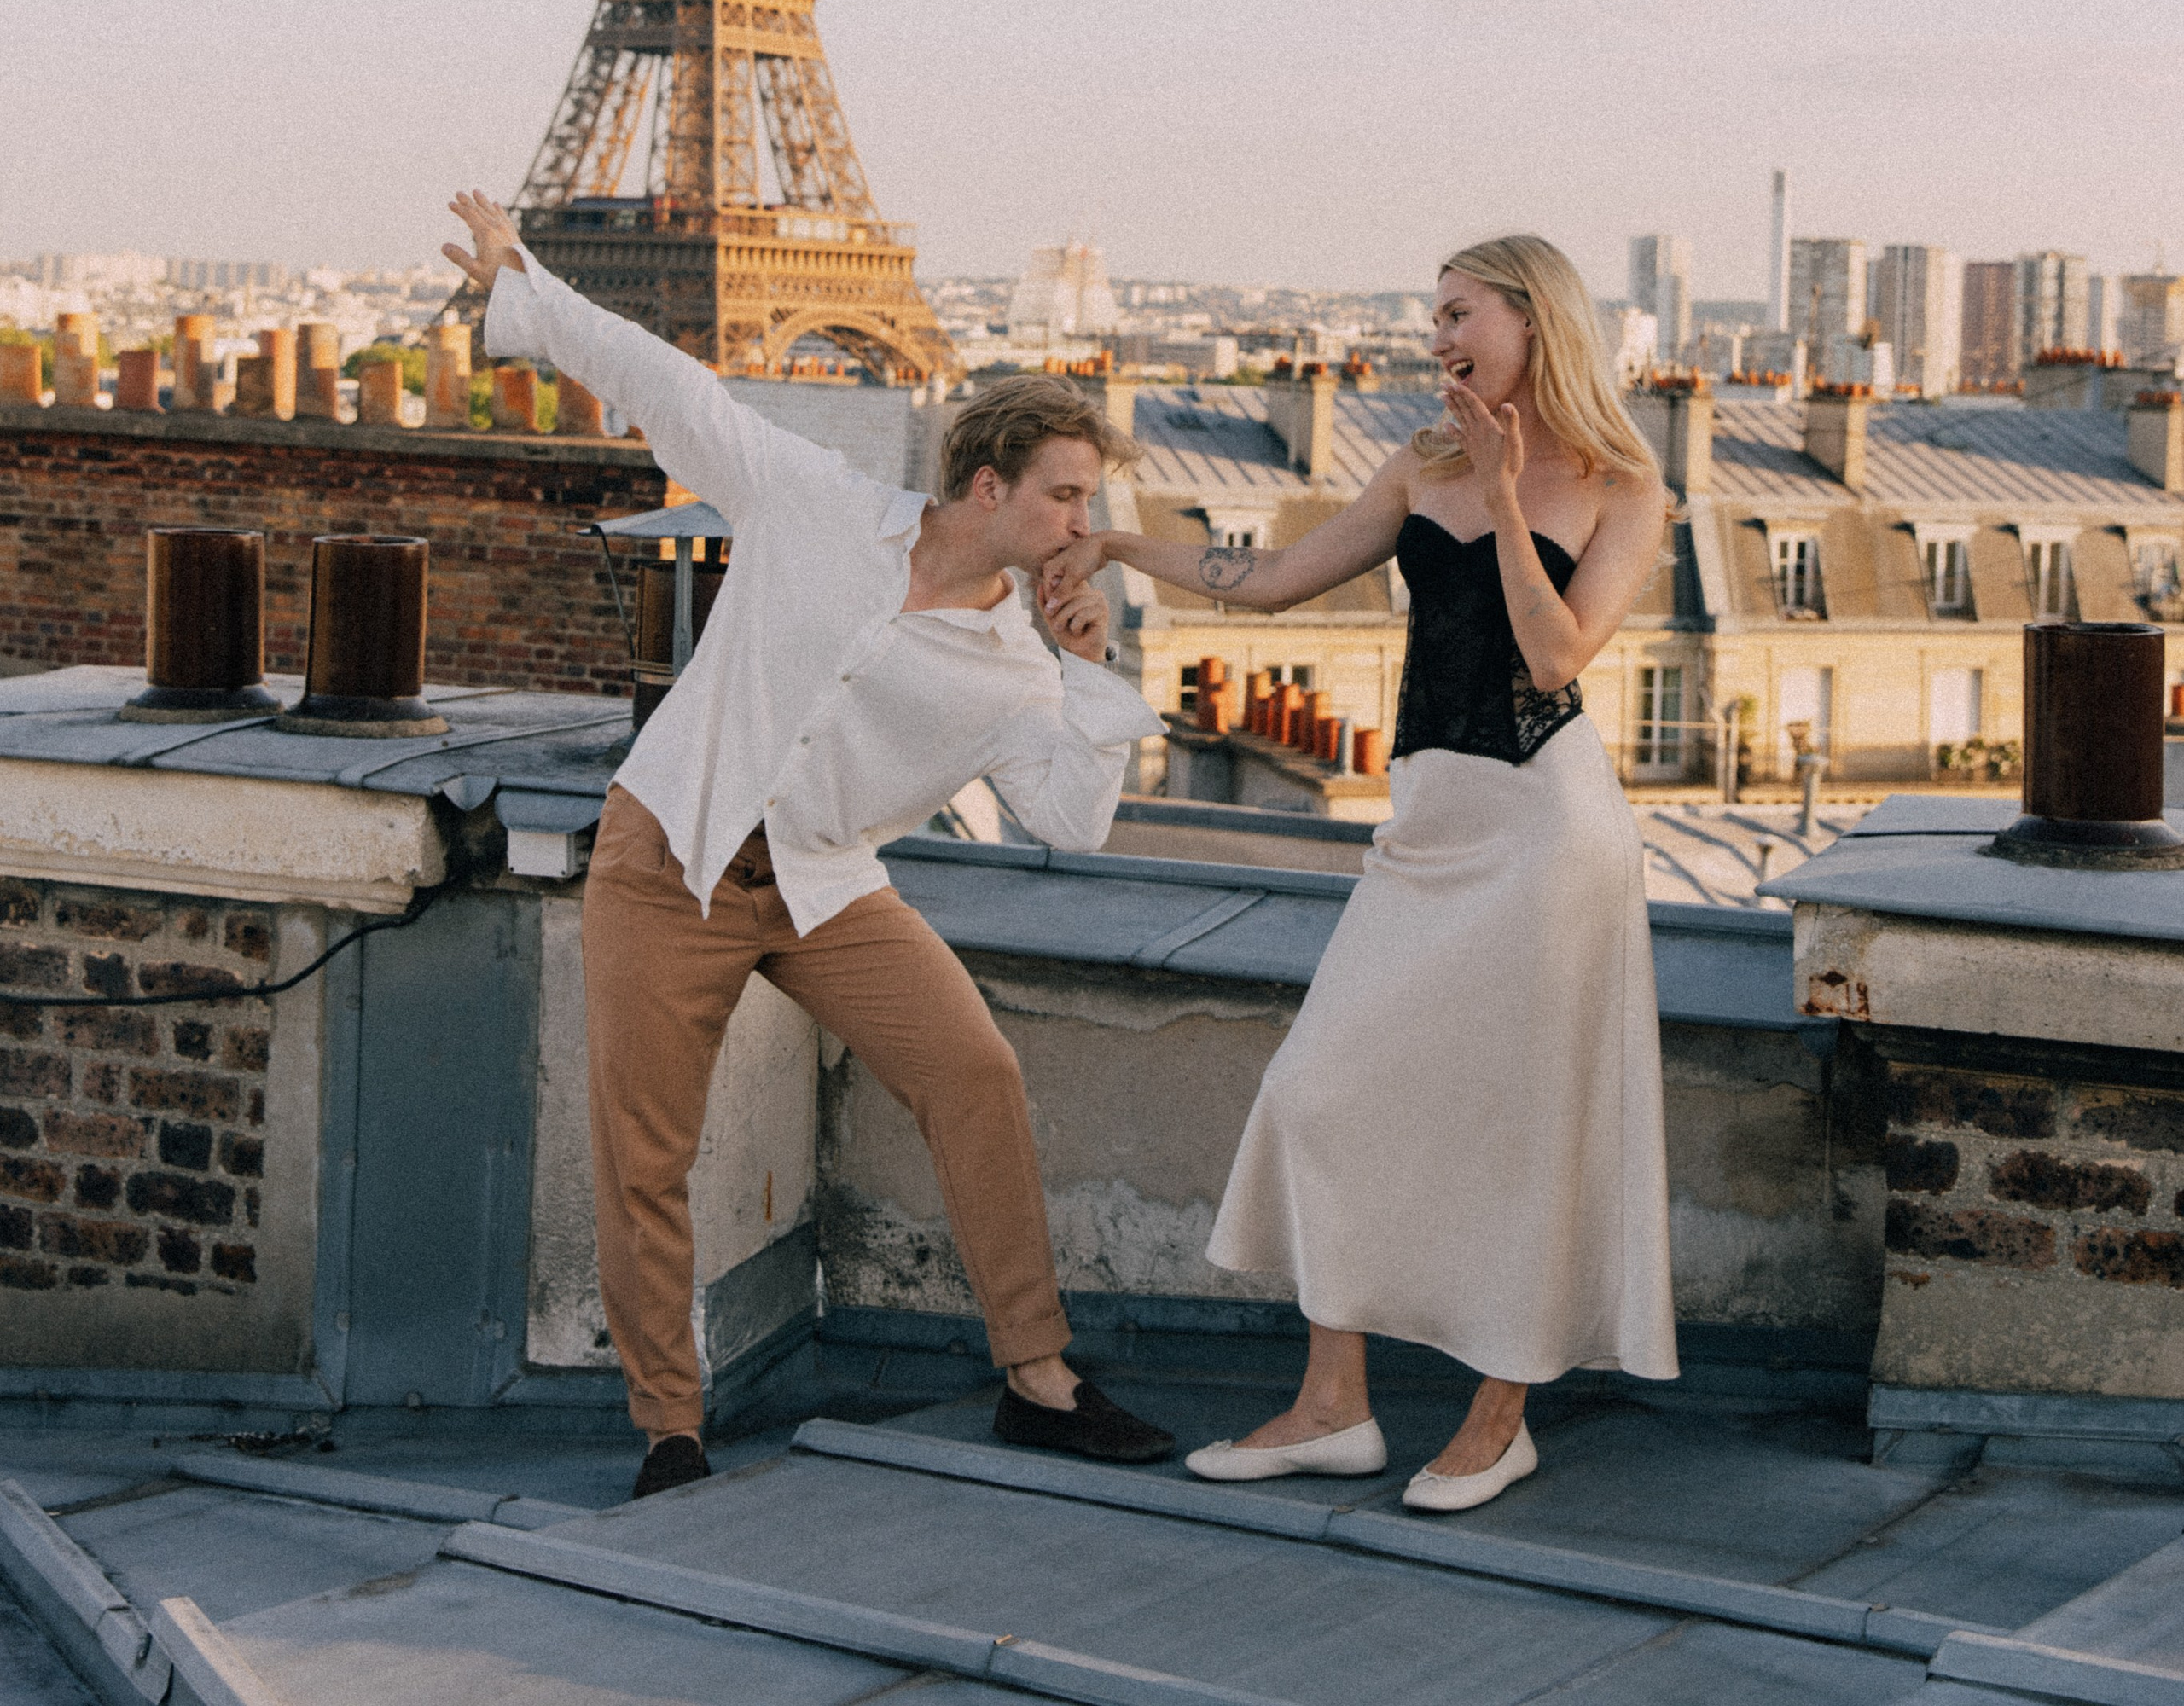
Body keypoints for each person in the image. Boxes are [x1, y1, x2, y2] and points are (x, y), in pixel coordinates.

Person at [442, 191, 1178, 1497]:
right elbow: (668, 385)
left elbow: (1073, 821)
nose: (1086, 523)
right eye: (1067, 497)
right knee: (647, 1154)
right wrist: (523, 282)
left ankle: (1039, 1377)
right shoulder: (820, 503)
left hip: (827, 886)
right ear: (989, 485)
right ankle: (670, 1426)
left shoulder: (1018, 668)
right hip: (670, 856)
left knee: (975, 1071)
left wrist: (1090, 677)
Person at [1044, 233, 1675, 1512]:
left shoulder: (1622, 482)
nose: (1435, 337)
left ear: (1532, 318)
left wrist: (1505, 499)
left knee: (1527, 1127)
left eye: (1456, 311)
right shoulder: (1419, 461)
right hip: (1428, 832)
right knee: (1318, 1085)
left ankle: (1501, 1417)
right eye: (1428, 317)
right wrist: (1119, 545)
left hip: (1547, 836)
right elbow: (1272, 579)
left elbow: (1554, 659)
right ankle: (1334, 1404)